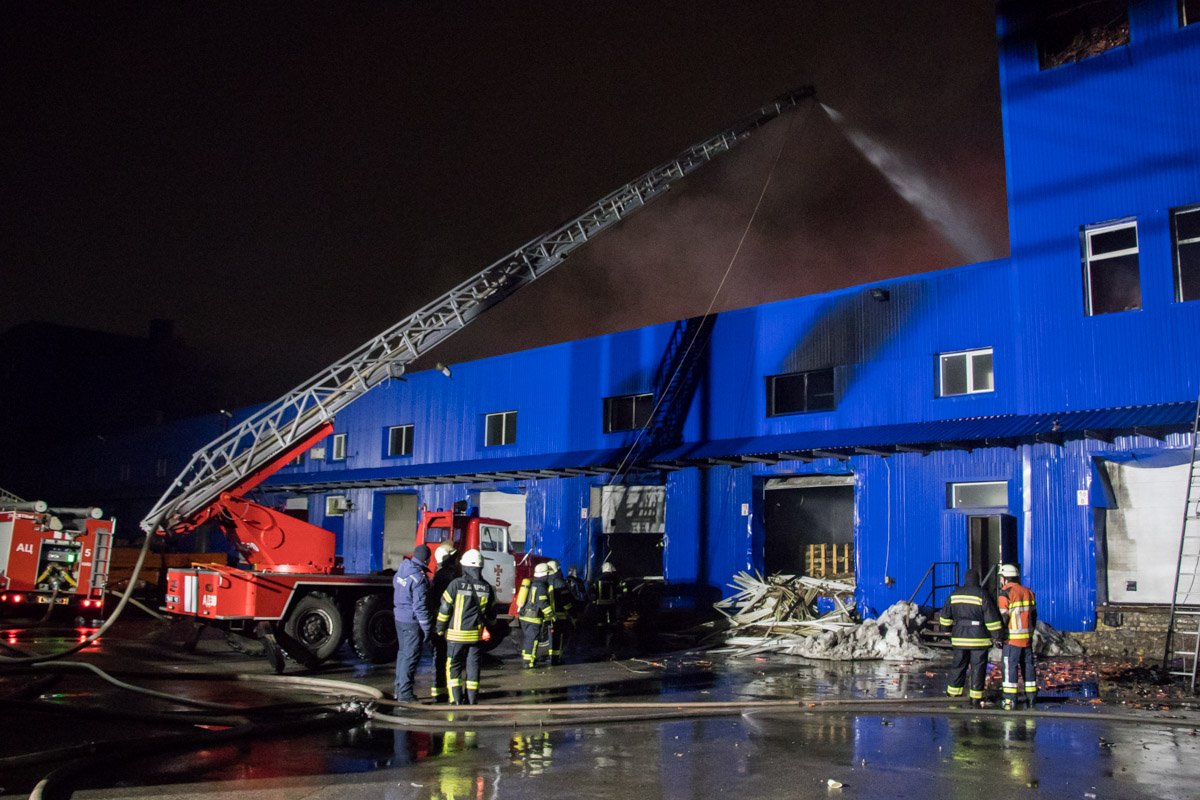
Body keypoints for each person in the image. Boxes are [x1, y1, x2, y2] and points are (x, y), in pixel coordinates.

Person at [436, 548, 496, 705]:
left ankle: (456, 699)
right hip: (475, 637)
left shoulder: (456, 584)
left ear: (465, 567)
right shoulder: (487, 588)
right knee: (473, 667)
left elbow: (444, 608)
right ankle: (471, 700)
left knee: (454, 666)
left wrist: (440, 628)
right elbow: (491, 615)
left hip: (456, 636)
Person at [939, 569, 1003, 707]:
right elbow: (992, 619)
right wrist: (997, 636)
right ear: (977, 579)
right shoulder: (982, 595)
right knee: (978, 668)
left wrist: (947, 629)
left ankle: (953, 695)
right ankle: (975, 697)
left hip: (959, 639)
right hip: (979, 640)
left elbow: (944, 618)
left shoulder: (954, 594)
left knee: (958, 666)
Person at [393, 544, 432, 702]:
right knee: (410, 656)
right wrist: (427, 628)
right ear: (427, 559)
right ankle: (405, 694)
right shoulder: (419, 577)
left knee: (403, 655)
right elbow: (420, 606)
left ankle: (399, 689)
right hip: (411, 621)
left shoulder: (402, 569)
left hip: (399, 618)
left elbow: (395, 585)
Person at [997, 563, 1038, 710]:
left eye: (1001, 578)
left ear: (1005, 578)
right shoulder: (1028, 592)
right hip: (1026, 639)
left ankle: (1009, 700)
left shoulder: (1005, 592)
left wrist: (998, 636)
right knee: (1028, 668)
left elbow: (1004, 618)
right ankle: (1032, 698)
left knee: (1010, 669)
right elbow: (1033, 616)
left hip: (1011, 639)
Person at [427, 542, 460, 702]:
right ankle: (453, 693)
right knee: (451, 659)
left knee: (439, 658)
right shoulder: (451, 577)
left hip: (439, 622)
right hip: (450, 623)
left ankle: (439, 691)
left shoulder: (438, 575)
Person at [516, 562, 553, 668]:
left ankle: (527, 659)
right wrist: (550, 614)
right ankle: (528, 662)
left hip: (524, 616)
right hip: (533, 618)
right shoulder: (541, 586)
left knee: (528, 639)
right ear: (545, 574)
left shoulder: (532, 582)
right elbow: (543, 603)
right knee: (532, 640)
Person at [545, 559, 573, 665]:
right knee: (559, 639)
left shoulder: (544, 581)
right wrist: (572, 613)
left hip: (546, 616)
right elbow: (566, 602)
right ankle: (557, 659)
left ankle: (550, 657)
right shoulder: (560, 582)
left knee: (549, 638)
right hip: (560, 617)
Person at [592, 561, 622, 650]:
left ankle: (601, 639)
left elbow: (592, 591)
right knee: (613, 621)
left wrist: (594, 600)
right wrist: (620, 598)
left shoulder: (598, 579)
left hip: (600, 604)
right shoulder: (615, 579)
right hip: (612, 603)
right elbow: (620, 590)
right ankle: (613, 639)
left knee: (601, 622)